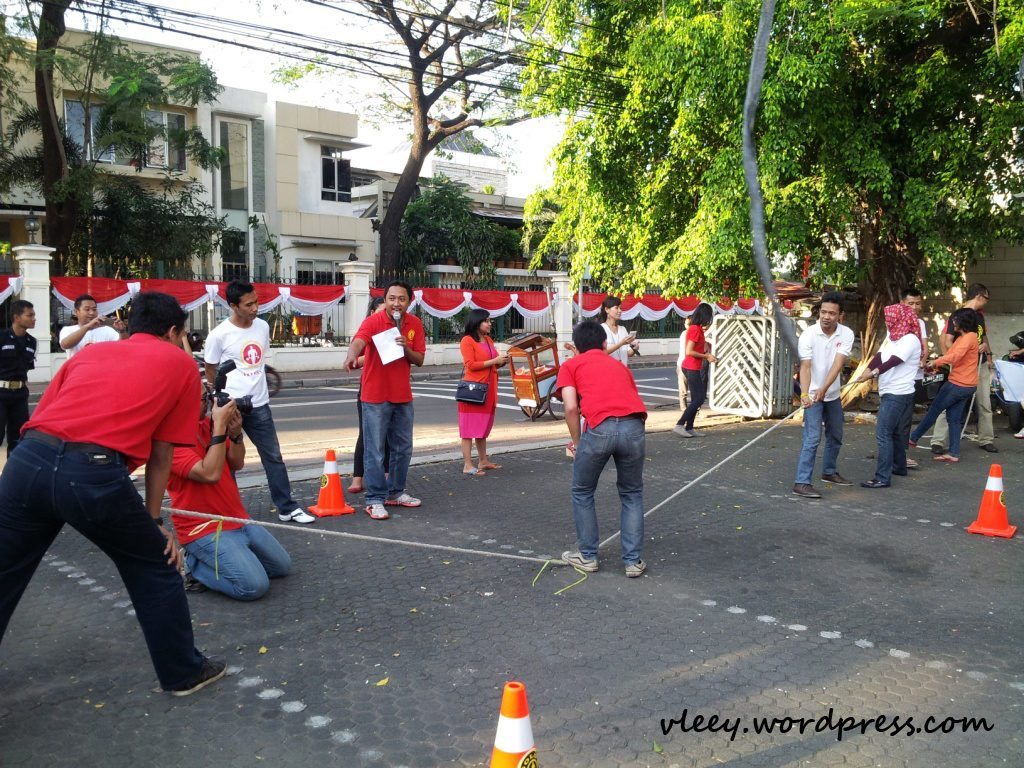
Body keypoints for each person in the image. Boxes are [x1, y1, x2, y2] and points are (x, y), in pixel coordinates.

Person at [0, 292, 225, 696]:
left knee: (5, 571)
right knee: (156, 568)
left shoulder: (88, 355)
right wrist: (155, 521)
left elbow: (41, 420)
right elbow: (162, 453)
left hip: (27, 463)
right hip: (91, 474)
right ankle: (183, 673)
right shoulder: (181, 365)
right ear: (173, 331)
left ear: (131, 324)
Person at [204, 280, 315, 525]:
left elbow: (255, 363)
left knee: (273, 456)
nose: (256, 308)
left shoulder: (263, 327)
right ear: (234, 306)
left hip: (259, 405)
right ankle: (231, 512)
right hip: (229, 408)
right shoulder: (219, 335)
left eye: (256, 301)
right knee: (228, 462)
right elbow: (211, 369)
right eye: (249, 304)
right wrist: (220, 398)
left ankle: (287, 508)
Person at [167, 390, 291, 601]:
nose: (209, 402)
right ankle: (192, 566)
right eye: (202, 398)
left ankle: (235, 558)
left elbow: (236, 463)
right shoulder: (171, 441)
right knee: (253, 587)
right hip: (202, 528)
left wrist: (235, 435)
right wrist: (220, 429)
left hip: (237, 518)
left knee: (282, 567)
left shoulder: (208, 426)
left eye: (207, 396)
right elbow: (210, 473)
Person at [556, 320, 648, 577]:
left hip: (600, 427)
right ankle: (632, 561)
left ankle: (587, 556)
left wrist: (577, 443)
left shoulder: (571, 365)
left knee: (582, 490)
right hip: (633, 426)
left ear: (576, 347)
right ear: (605, 343)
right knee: (631, 493)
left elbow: (571, 408)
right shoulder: (618, 365)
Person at [344, 280, 426, 520]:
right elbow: (358, 341)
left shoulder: (414, 325)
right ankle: (375, 499)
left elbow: (419, 359)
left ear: (409, 302)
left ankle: (396, 492)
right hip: (375, 396)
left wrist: (405, 347)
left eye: (401, 299)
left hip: (402, 396)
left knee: (403, 448)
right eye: (392, 298)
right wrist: (350, 355)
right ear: (386, 300)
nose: (396, 303)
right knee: (375, 450)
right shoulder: (374, 321)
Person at [793, 292, 855, 499]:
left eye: (832, 313)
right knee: (812, 438)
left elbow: (838, 365)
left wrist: (825, 388)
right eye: (823, 312)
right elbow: (806, 366)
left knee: (836, 435)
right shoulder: (808, 335)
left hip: (832, 394)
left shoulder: (846, 334)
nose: (827, 316)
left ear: (841, 316)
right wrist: (805, 393)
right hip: (812, 395)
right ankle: (801, 482)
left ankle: (829, 472)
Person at [855, 304, 922, 488]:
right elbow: (879, 356)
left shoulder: (910, 339)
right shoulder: (892, 336)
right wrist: (867, 370)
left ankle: (882, 477)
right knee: (894, 433)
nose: (886, 321)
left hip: (898, 393)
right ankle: (899, 467)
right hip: (891, 391)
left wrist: (873, 373)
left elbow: (894, 361)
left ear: (898, 318)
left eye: (889, 317)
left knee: (883, 434)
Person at [909, 307, 983, 464]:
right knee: (954, 419)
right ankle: (954, 453)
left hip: (958, 384)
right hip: (965, 384)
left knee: (934, 409)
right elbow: (951, 356)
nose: (953, 322)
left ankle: (912, 438)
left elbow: (955, 356)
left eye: (955, 320)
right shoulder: (964, 338)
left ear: (963, 322)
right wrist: (935, 364)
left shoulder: (969, 337)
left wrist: (935, 362)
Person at [929, 284, 996, 455]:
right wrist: (956, 359)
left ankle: (986, 439)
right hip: (962, 368)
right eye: (987, 298)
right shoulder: (958, 316)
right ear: (979, 296)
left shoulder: (980, 316)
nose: (987, 302)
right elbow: (946, 340)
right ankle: (938, 440)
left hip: (979, 366)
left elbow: (984, 337)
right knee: (949, 402)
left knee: (984, 403)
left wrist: (988, 356)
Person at [458, 309, 507, 475]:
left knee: (482, 427)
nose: (489, 324)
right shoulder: (467, 341)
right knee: (468, 429)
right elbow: (470, 364)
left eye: (489, 321)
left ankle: (483, 460)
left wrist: (501, 362)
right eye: (486, 321)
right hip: (474, 390)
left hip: (489, 388)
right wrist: (494, 360)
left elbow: (492, 362)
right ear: (476, 322)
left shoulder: (488, 340)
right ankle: (467, 465)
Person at [349, 297, 390, 494]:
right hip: (369, 388)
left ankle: (386, 475)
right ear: (373, 311)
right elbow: (354, 361)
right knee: (366, 434)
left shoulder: (393, 331)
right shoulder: (367, 330)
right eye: (382, 310)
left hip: (391, 388)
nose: (385, 315)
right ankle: (358, 478)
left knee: (389, 435)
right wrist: (376, 351)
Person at [674, 303, 717, 438]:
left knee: (696, 399)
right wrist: (706, 356)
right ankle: (680, 425)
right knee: (699, 399)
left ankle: (690, 427)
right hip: (690, 366)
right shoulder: (694, 329)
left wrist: (708, 353)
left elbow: (697, 348)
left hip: (693, 367)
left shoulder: (698, 329)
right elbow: (689, 351)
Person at [0, 300, 37, 457]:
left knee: (18, 438)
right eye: (30, 315)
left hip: (20, 395)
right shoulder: (2, 337)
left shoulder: (32, 342)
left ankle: (12, 476)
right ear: (17, 317)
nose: (34, 318)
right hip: (0, 393)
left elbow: (26, 368)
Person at [59, 293, 126, 358]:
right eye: (87, 309)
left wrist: (122, 332)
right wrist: (87, 327)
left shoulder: (107, 330)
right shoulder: (68, 330)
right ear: (77, 312)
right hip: (78, 369)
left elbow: (122, 347)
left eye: (94, 309)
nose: (91, 313)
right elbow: (65, 345)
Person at [599, 296, 639, 366]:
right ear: (607, 309)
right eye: (616, 308)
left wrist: (635, 348)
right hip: (608, 372)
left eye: (620, 308)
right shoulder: (601, 329)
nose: (620, 311)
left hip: (623, 371)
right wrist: (621, 343)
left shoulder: (622, 329)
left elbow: (628, 353)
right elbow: (602, 352)